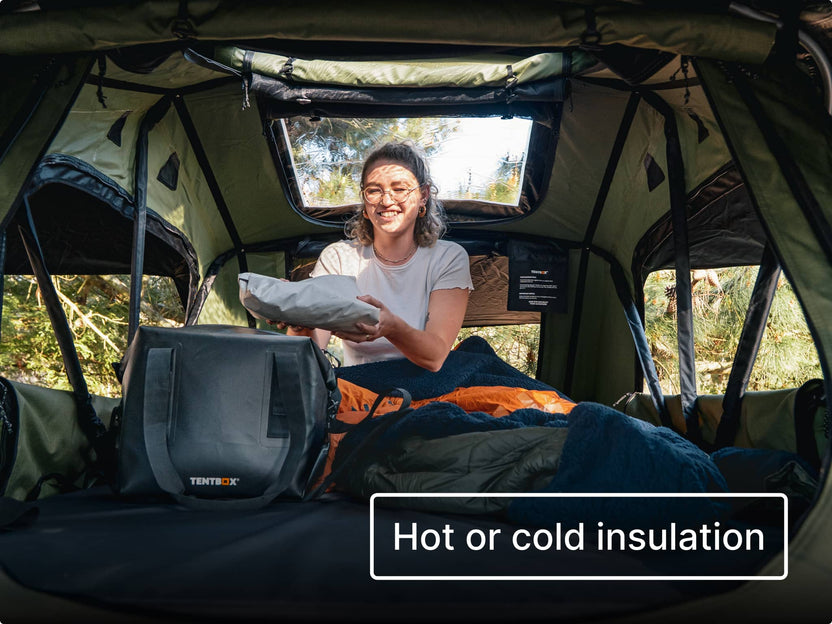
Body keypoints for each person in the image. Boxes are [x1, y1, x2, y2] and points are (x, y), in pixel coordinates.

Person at [287, 141, 472, 371]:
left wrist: (392, 327)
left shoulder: (448, 258)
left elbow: (435, 357)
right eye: (374, 190)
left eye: (400, 189)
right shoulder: (338, 258)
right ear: (365, 201)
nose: (386, 200)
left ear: (423, 195)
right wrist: (296, 318)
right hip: (360, 392)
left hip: (426, 385)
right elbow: (309, 355)